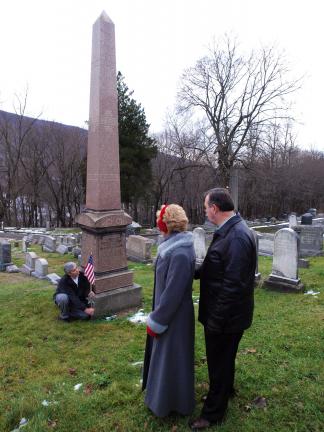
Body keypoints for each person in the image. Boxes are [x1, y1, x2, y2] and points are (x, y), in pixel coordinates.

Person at [189, 188, 256, 430]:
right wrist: (193, 272)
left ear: (215, 209)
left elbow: (234, 285)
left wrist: (216, 319)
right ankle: (224, 392)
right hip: (225, 313)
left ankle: (212, 414)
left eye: (206, 206)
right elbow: (216, 265)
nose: (205, 210)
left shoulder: (236, 236)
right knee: (224, 360)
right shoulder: (229, 231)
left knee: (219, 362)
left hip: (226, 316)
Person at [142, 204, 196, 418]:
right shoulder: (172, 247)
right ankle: (161, 399)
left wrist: (158, 319)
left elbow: (173, 293)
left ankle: (173, 403)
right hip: (168, 314)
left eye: (160, 222)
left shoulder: (180, 253)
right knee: (166, 358)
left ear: (167, 224)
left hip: (174, 317)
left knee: (173, 358)